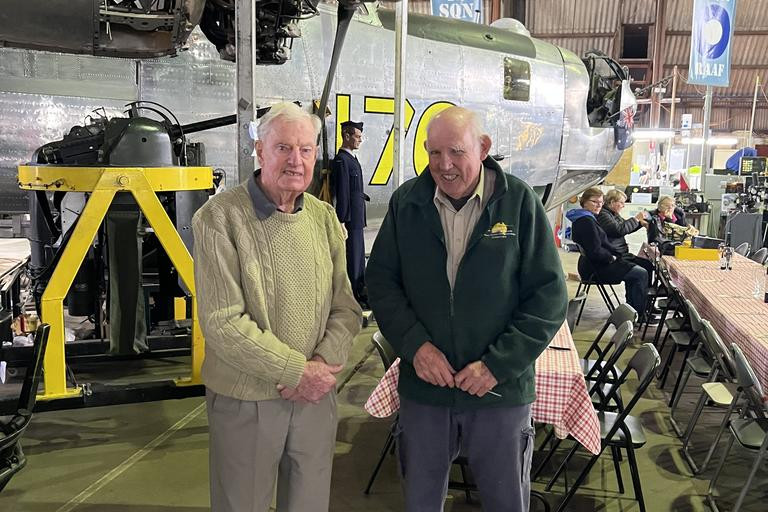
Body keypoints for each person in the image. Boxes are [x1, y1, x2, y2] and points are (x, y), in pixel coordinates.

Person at [366, 106, 567, 511]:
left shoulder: (519, 204)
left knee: (506, 500)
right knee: (421, 501)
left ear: (484, 148)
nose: (444, 165)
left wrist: (498, 365)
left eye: (456, 152)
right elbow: (382, 283)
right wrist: (416, 347)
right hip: (426, 390)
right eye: (434, 153)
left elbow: (548, 296)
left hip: (499, 393)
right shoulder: (407, 203)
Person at [192, 102, 362, 512]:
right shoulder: (219, 218)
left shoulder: (323, 218)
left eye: (306, 150)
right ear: (259, 150)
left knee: (308, 504)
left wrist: (320, 366)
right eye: (283, 148)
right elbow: (222, 322)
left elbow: (347, 309)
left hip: (315, 397)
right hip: (246, 399)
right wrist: (295, 371)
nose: (296, 160)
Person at [566, 187, 650, 321]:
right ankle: (638, 315)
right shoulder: (586, 222)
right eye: (594, 202)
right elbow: (595, 251)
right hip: (596, 268)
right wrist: (613, 257)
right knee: (641, 273)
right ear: (584, 202)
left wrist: (617, 255)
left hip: (595, 264)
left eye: (600, 202)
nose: (599, 204)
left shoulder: (587, 218)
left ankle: (632, 309)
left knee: (640, 268)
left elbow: (601, 245)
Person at [332, 120, 370, 308]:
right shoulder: (341, 161)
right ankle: (354, 296)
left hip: (357, 216)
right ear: (346, 136)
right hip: (350, 218)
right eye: (357, 136)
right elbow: (343, 192)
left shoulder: (351, 159)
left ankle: (361, 291)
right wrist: (341, 220)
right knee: (353, 257)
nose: (359, 140)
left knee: (359, 256)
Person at [597, 188, 654, 280]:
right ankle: (638, 293)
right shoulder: (603, 214)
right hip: (614, 256)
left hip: (619, 253)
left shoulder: (613, 214)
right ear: (612, 202)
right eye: (621, 203)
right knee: (641, 272)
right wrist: (636, 219)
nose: (623, 206)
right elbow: (618, 230)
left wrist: (640, 223)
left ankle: (643, 293)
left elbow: (625, 228)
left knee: (648, 264)